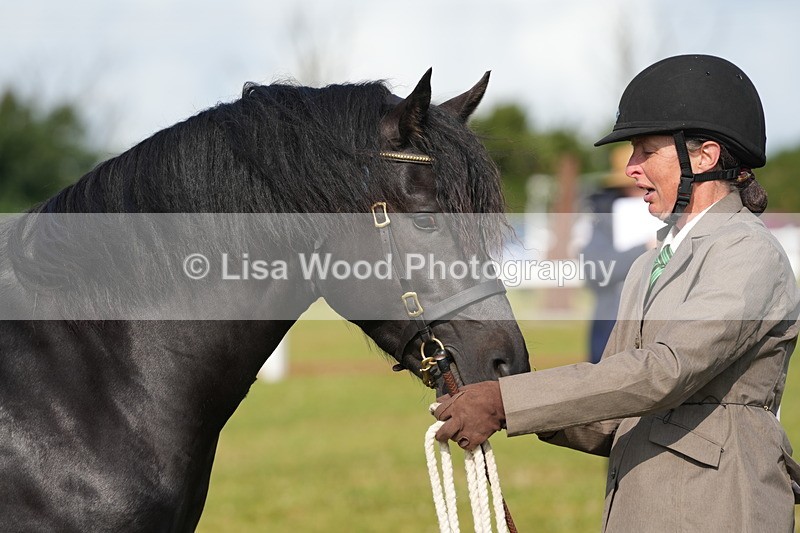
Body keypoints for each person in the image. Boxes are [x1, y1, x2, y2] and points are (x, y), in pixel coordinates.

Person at [433, 54, 800, 531]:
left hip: (722, 506)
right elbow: (608, 418)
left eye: (646, 151)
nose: (631, 168)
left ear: (705, 156)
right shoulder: (648, 264)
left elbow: (667, 370)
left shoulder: (750, 253)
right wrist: (504, 388)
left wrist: (508, 400)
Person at [581, 145, 651, 363]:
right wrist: (645, 249)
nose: (640, 191)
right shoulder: (602, 219)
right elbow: (596, 270)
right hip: (611, 321)